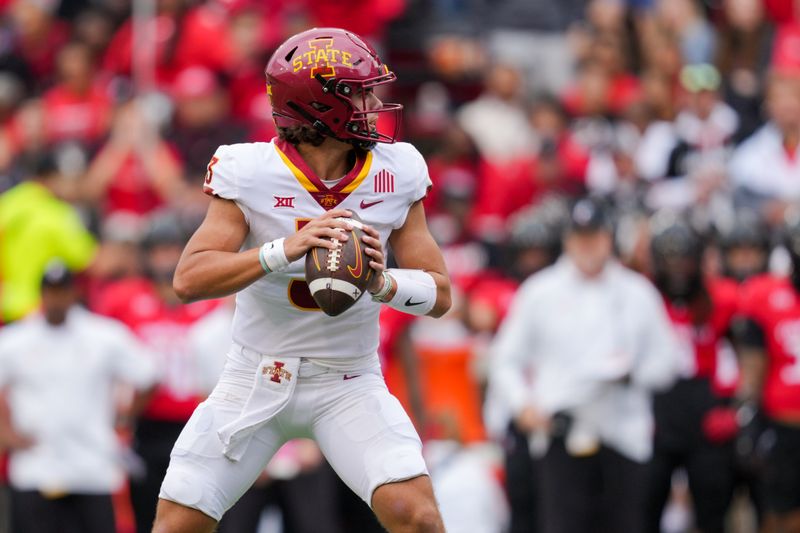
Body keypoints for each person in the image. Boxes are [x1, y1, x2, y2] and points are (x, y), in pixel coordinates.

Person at [151, 27, 451, 533]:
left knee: (417, 517)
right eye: (358, 91)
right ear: (317, 105)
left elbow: (441, 293)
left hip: (348, 380)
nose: (373, 101)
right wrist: (281, 251)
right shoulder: (249, 170)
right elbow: (189, 279)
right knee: (178, 524)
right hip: (254, 376)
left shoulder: (398, 170)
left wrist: (382, 284)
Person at [489, 197, 680, 533]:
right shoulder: (540, 292)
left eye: (595, 236)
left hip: (623, 433)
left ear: (609, 238)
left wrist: (630, 373)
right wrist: (523, 404)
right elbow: (505, 359)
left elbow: (669, 361)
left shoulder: (636, 292)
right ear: (567, 241)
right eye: (580, 237)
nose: (588, 246)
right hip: (561, 431)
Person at [0, 260, 156, 533]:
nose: (56, 298)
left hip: (92, 467)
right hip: (36, 466)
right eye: (51, 291)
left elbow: (148, 374)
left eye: (62, 291)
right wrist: (6, 434)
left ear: (74, 293)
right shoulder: (16, 340)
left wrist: (124, 418)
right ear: (42, 294)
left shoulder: (103, 336)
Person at [93, 213, 221, 533]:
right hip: (146, 424)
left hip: (200, 421)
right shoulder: (123, 299)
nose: (164, 259)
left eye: (171, 250)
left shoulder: (211, 298)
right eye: (157, 251)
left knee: (202, 509)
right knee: (147, 508)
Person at [644, 212, 741, 533]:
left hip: (707, 412)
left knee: (712, 513)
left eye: (683, 260)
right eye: (669, 260)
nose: (677, 269)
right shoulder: (642, 298)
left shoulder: (723, 298)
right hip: (657, 411)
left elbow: (747, 354)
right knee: (644, 508)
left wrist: (733, 406)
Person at [737, 212, 800, 533]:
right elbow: (753, 362)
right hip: (784, 423)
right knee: (779, 516)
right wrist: (750, 414)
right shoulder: (766, 295)